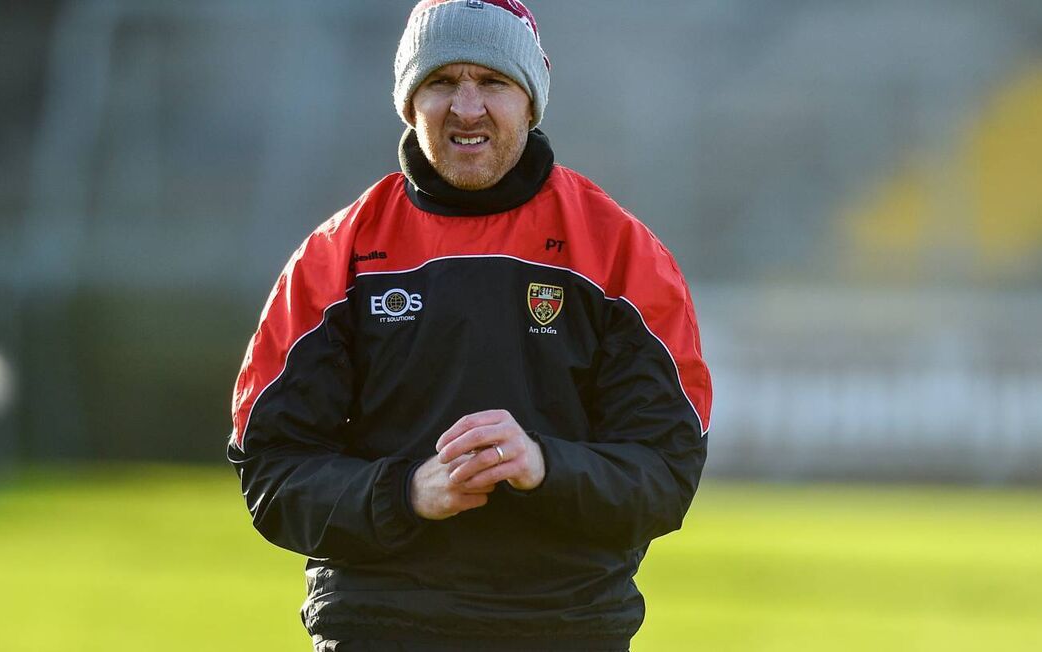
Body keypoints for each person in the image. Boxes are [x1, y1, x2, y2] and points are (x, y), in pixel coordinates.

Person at [227, 1, 712, 649]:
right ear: (407, 101)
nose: (466, 106)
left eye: (493, 82)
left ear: (531, 101)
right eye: (441, 81)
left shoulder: (622, 254)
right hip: (380, 623)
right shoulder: (334, 258)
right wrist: (403, 493)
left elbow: (665, 471)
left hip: (565, 625)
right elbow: (272, 467)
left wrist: (545, 465)